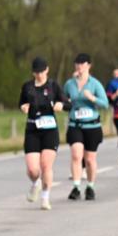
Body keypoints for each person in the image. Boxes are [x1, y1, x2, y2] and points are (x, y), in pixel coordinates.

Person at [19, 57, 70, 211]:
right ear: (33, 73)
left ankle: (45, 198)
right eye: (36, 72)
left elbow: (68, 104)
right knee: (33, 169)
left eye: (41, 72)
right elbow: (21, 102)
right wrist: (24, 107)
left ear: (47, 70)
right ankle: (36, 183)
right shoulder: (27, 87)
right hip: (32, 130)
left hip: (50, 131)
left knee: (46, 165)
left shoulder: (53, 86)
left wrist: (62, 105)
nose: (39, 75)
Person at [63, 53, 109, 201]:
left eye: (82, 64)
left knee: (89, 159)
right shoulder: (69, 84)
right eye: (77, 64)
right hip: (75, 124)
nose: (79, 66)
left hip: (92, 126)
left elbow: (105, 104)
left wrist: (92, 98)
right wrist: (66, 103)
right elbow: (63, 102)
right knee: (76, 155)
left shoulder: (95, 84)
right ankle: (76, 187)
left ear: (89, 66)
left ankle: (90, 186)